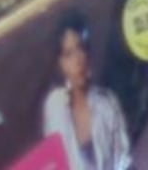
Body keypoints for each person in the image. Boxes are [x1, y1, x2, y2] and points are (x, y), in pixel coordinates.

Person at [40, 14, 135, 170]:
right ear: (60, 63)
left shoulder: (107, 103)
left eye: (80, 48)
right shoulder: (54, 106)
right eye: (68, 54)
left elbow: (123, 161)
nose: (78, 59)